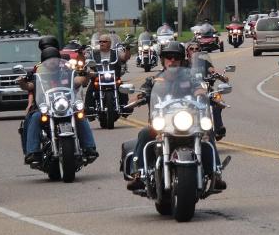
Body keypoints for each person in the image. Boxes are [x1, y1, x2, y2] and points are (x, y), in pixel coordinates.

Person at [126, 41, 226, 191]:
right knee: (145, 133)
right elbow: (141, 93)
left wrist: (208, 96)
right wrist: (138, 97)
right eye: (168, 57)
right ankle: (138, 174)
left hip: (188, 121)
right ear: (163, 59)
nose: (172, 61)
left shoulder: (191, 78)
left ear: (181, 59)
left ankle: (215, 173)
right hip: (162, 123)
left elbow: (201, 89)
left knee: (207, 132)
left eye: (176, 57)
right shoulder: (154, 80)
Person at [23, 46, 98, 165]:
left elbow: (79, 80)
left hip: (65, 105)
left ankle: (89, 148)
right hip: (46, 107)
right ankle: (33, 152)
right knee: (35, 117)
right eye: (49, 59)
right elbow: (29, 86)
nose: (52, 61)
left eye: (55, 59)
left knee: (80, 115)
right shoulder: (38, 75)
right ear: (44, 62)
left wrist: (87, 75)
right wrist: (22, 82)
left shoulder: (66, 72)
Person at [185, 42, 228, 140]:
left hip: (205, 89)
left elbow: (212, 70)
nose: (195, 51)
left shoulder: (204, 62)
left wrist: (220, 76)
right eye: (192, 49)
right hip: (189, 91)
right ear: (187, 51)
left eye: (197, 49)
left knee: (217, 99)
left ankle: (218, 127)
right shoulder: (184, 64)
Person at [84, 34, 129, 114]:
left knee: (122, 89)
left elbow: (124, 57)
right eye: (100, 41)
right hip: (97, 77)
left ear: (110, 43)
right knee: (90, 90)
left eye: (104, 41)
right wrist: (81, 53)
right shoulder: (93, 53)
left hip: (114, 77)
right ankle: (89, 109)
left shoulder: (115, 52)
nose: (101, 43)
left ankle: (124, 107)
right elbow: (85, 58)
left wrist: (128, 49)